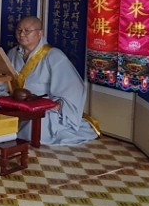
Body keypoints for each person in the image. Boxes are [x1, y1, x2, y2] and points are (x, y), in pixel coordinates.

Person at [6, 16, 97, 146]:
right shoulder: (13, 53)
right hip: (17, 101)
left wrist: (59, 104)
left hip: (42, 104)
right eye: (19, 30)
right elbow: (4, 79)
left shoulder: (54, 55)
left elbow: (74, 86)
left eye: (27, 31)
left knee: (33, 130)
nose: (21, 34)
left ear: (40, 33)